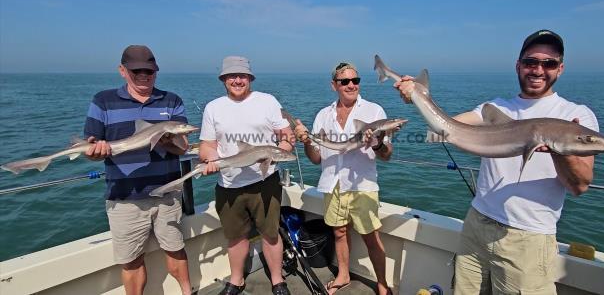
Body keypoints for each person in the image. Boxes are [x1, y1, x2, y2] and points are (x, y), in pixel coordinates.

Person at [394, 30, 598, 294]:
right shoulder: (494, 108)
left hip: (527, 237)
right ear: (518, 65)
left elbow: (579, 185)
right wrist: (418, 96)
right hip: (476, 224)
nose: (538, 69)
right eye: (530, 62)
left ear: (560, 69)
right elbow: (445, 130)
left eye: (548, 63)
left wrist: (560, 148)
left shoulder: (575, 116)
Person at [84, 45, 193, 295]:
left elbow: (183, 147)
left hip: (167, 193)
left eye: (149, 71)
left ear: (156, 71)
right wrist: (94, 152)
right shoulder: (103, 101)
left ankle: (188, 292)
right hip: (124, 197)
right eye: (137, 70)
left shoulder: (172, 100)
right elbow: (91, 148)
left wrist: (169, 139)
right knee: (131, 260)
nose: (144, 75)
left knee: (176, 249)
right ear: (122, 70)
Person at [294, 62, 394, 295]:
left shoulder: (374, 112)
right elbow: (316, 159)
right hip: (332, 183)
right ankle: (343, 274)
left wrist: (377, 143)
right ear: (334, 85)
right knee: (338, 232)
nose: (351, 85)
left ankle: (382, 283)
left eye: (355, 80)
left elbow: (387, 155)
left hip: (363, 185)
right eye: (345, 81)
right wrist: (307, 142)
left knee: (371, 237)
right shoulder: (323, 115)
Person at [199, 56, 295, 295]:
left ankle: (277, 279)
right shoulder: (213, 107)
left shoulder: (267, 101)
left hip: (265, 182)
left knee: (271, 234)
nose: (238, 80)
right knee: (235, 237)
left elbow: (286, 134)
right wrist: (209, 159)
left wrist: (283, 148)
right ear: (224, 79)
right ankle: (237, 280)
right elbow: (207, 146)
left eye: (242, 76)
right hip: (229, 184)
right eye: (232, 76)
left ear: (250, 78)